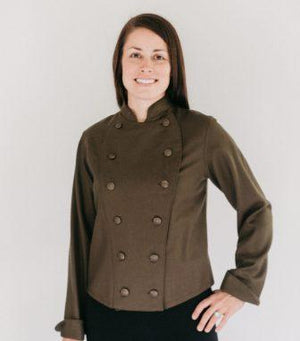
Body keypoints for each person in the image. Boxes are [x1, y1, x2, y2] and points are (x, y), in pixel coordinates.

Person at [54, 13, 273, 341]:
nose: (146, 66)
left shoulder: (202, 132)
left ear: (173, 68)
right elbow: (81, 234)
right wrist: (73, 324)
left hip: (186, 317)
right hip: (107, 319)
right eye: (135, 55)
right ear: (120, 65)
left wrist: (241, 287)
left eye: (158, 57)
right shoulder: (94, 141)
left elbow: (256, 208)